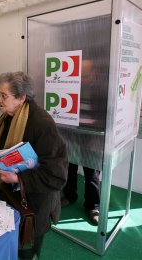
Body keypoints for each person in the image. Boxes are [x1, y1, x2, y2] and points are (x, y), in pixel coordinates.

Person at [0, 72, 67, 259]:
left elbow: (57, 175)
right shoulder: (11, 116)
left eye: (4, 96)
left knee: (25, 251)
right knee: (10, 248)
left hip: (33, 206)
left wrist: (18, 178)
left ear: (21, 97)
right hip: (11, 199)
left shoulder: (42, 124)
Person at [61, 59, 104, 225]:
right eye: (80, 75)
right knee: (69, 167)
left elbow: (103, 115)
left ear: (93, 73)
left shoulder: (101, 90)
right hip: (72, 135)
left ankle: (93, 206)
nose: (82, 78)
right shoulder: (72, 87)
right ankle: (70, 195)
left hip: (92, 137)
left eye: (86, 75)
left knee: (91, 172)